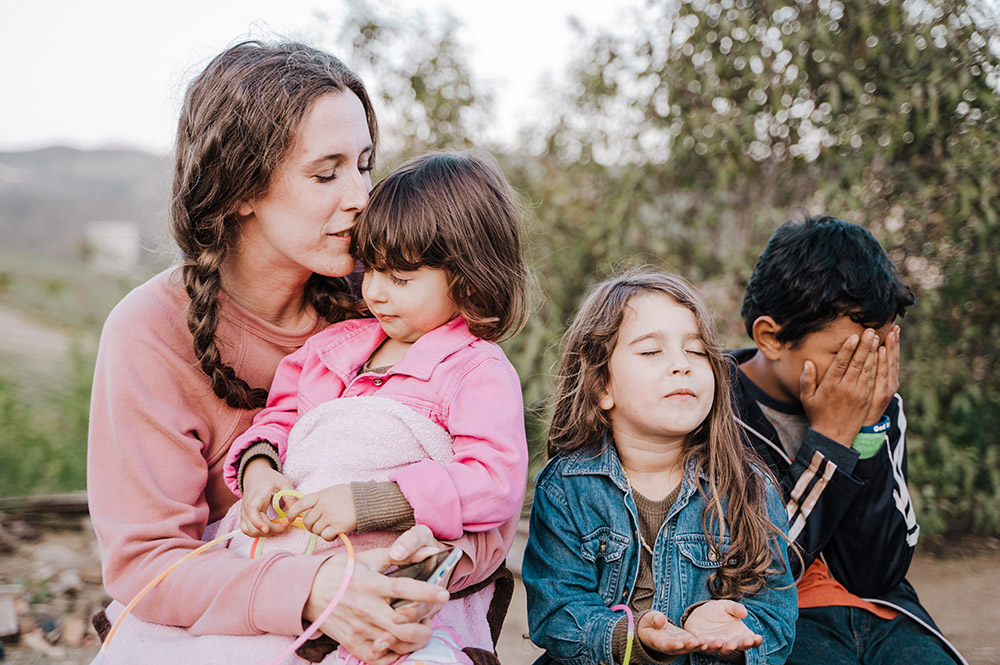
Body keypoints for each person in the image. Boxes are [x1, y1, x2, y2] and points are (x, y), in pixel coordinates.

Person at [87, 41, 512, 665]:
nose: (363, 196)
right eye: (326, 172)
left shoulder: (394, 295)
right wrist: (313, 589)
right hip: (236, 617)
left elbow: (487, 488)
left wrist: (414, 567)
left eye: (365, 164)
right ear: (239, 191)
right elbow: (147, 564)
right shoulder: (149, 333)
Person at [213, 149, 531, 662]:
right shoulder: (331, 349)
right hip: (294, 562)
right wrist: (260, 471)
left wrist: (370, 502)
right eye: (373, 269)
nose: (377, 292)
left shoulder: (476, 370)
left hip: (388, 570)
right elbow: (280, 420)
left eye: (401, 279)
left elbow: (494, 480)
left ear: (468, 280)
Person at [522, 271, 797, 665]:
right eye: (652, 351)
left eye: (697, 351)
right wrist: (631, 640)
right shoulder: (567, 487)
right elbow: (556, 613)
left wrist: (732, 635)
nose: (681, 365)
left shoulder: (749, 488)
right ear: (602, 385)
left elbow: (777, 619)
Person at [731, 213, 966, 664]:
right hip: (777, 619)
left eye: (877, 349)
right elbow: (758, 571)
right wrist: (831, 438)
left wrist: (868, 431)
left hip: (879, 615)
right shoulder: (713, 406)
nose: (865, 372)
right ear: (771, 337)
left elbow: (877, 573)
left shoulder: (878, 406)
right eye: (845, 355)